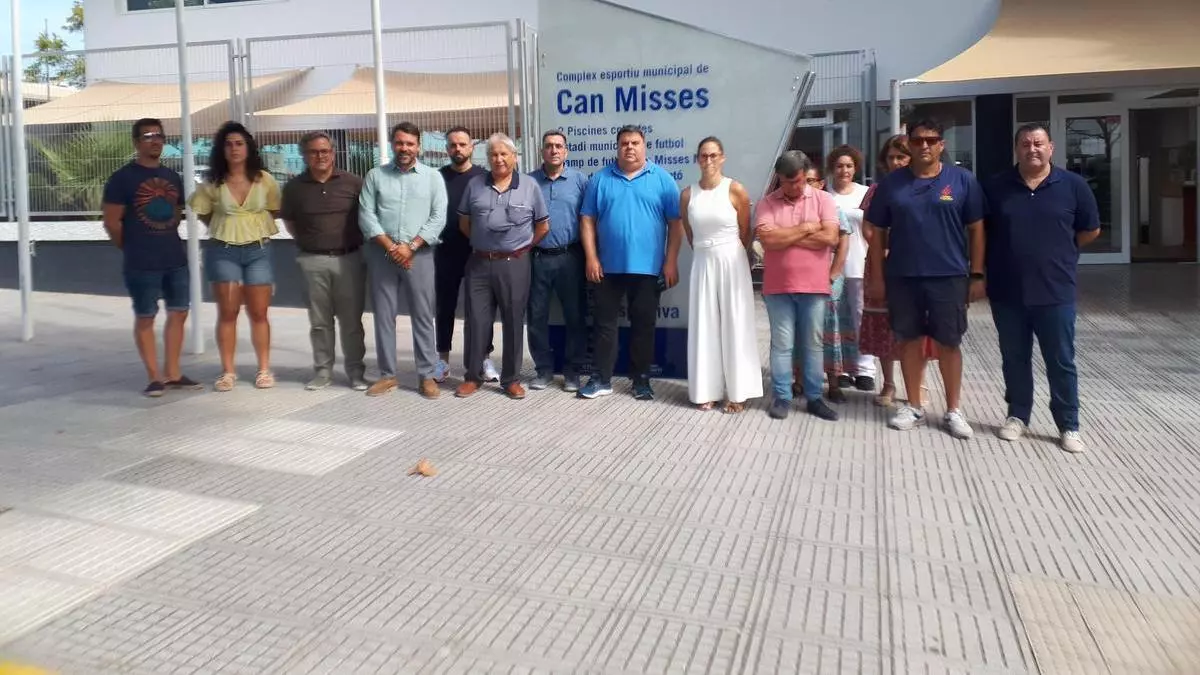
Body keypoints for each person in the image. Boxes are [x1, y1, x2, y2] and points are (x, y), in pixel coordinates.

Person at [865, 118, 986, 439]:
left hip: (949, 275)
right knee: (909, 340)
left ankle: (953, 410)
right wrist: (877, 277)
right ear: (910, 143)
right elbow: (877, 232)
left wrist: (977, 273)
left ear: (941, 144)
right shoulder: (892, 184)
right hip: (903, 275)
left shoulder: (962, 180)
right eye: (918, 141)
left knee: (949, 342)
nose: (924, 146)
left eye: (931, 140)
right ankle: (914, 405)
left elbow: (977, 229)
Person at [984, 123, 1100, 453]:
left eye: (1038, 143)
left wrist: (1061, 251)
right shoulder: (996, 187)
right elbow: (982, 231)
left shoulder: (1073, 186)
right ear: (1016, 149)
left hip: (1055, 291)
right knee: (1014, 358)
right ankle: (1017, 415)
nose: (1032, 149)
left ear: (1051, 148)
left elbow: (1090, 229)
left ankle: (1069, 424)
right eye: (1025, 144)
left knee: (1061, 360)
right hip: (1008, 291)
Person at [577, 125, 684, 401]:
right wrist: (591, 257)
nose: (629, 147)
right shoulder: (600, 179)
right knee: (604, 325)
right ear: (617, 147)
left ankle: (641, 380)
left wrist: (671, 261)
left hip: (648, 269)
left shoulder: (662, 179)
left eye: (635, 142)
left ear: (644, 146)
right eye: (624, 143)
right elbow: (587, 220)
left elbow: (676, 224)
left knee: (643, 326)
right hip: (607, 268)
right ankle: (601, 379)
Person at [101, 117, 202, 397]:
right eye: (147, 136)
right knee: (146, 316)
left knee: (179, 311)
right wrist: (130, 247)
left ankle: (173, 373)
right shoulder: (122, 179)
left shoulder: (172, 177)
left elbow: (176, 214)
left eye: (158, 135)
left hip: (174, 258)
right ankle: (154, 377)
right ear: (136, 142)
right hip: (141, 261)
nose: (154, 140)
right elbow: (111, 222)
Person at [454, 133, 550, 399]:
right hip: (479, 263)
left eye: (503, 154)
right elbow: (464, 223)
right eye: (493, 155)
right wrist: (483, 243)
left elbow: (543, 226)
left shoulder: (529, 186)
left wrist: (522, 248)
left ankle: (511, 379)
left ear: (514, 157)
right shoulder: (475, 185)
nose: (498, 159)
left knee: (513, 320)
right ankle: (473, 377)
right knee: (476, 321)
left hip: (514, 264)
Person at [189, 121, 281, 393]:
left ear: (248, 147)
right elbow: (204, 213)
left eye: (239, 143)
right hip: (223, 251)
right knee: (228, 312)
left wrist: (250, 225)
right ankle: (228, 372)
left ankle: (264, 369)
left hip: (258, 250)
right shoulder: (212, 183)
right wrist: (227, 226)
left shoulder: (264, 179)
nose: (234, 149)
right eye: (228, 144)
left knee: (259, 312)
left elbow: (274, 209)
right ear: (221, 149)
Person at [359, 121, 447, 399]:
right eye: (399, 143)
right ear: (392, 145)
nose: (404, 148)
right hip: (382, 255)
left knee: (423, 315)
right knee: (384, 316)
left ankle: (427, 376)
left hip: (419, 255)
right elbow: (366, 214)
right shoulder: (375, 176)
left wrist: (411, 247)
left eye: (410, 143)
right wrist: (391, 247)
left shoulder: (433, 178)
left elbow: (438, 217)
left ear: (418, 146)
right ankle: (387, 375)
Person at [756, 151, 841, 421]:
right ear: (778, 178)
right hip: (778, 287)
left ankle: (814, 398)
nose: (794, 187)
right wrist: (806, 228)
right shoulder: (767, 203)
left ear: (806, 175)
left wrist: (785, 237)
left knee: (813, 344)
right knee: (782, 344)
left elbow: (830, 238)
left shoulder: (824, 199)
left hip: (814, 286)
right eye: (787, 182)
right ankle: (782, 396)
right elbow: (768, 241)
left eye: (799, 181)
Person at [280, 131, 368, 392]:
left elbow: (367, 216)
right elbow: (290, 222)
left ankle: (356, 372)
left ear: (333, 153)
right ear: (304, 155)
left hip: (349, 260)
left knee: (352, 322)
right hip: (312, 261)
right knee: (319, 322)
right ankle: (323, 371)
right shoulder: (294, 188)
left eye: (325, 151)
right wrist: (312, 242)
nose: (320, 156)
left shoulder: (353, 183)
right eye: (313, 152)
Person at [681, 136, 762, 412]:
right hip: (703, 261)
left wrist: (728, 251)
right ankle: (706, 391)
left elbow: (745, 231)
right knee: (704, 324)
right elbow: (690, 234)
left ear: (723, 157)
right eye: (703, 156)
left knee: (735, 323)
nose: (708, 161)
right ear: (697, 159)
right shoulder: (688, 195)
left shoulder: (735, 189)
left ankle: (738, 393)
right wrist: (707, 249)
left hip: (732, 261)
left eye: (713, 155)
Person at [528, 130, 590, 392]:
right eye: (549, 146)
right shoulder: (528, 181)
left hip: (570, 257)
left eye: (558, 146)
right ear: (542, 151)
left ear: (566, 151)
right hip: (537, 258)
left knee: (575, 316)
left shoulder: (580, 181)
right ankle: (543, 370)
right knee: (536, 316)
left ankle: (573, 373)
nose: (554, 150)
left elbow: (589, 219)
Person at [433, 127, 497, 384]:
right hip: (445, 252)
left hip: (477, 252)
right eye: (453, 145)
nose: (457, 149)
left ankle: (484, 358)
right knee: (445, 307)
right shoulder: (437, 177)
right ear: (447, 149)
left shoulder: (484, 177)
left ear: (472, 147)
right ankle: (442, 360)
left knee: (481, 309)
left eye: (462, 144)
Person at [826, 145, 873, 394]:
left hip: (859, 262)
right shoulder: (824, 194)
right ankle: (841, 368)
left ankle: (865, 369)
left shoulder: (866, 193)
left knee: (860, 316)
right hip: (830, 265)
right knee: (836, 319)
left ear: (855, 168)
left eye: (849, 166)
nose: (844, 170)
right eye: (839, 166)